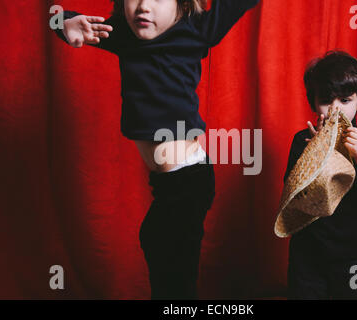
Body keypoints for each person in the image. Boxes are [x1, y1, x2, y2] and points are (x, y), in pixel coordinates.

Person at [54, 0, 260, 299]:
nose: (143, 7)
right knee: (156, 245)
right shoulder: (123, 34)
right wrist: (63, 23)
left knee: (173, 272)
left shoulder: (197, 29)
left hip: (188, 181)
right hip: (166, 184)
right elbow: (58, 19)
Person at [284, 50, 357, 299]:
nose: (335, 109)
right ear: (313, 101)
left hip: (354, 253)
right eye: (326, 100)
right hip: (308, 253)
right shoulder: (302, 141)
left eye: (344, 100)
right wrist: (314, 153)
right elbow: (292, 193)